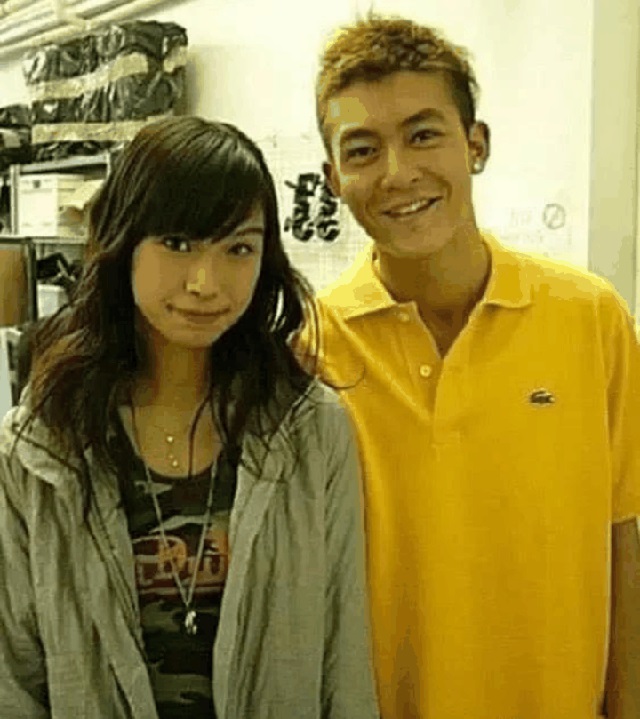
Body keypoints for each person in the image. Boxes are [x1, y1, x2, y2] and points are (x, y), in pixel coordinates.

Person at [301, 12, 640, 719]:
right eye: (362, 150)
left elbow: (623, 540)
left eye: (424, 134)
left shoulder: (591, 318)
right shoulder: (310, 350)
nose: (398, 173)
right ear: (333, 177)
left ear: (476, 144)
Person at [0, 116, 379, 719]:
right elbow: (13, 678)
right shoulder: (41, 447)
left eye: (238, 249)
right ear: (123, 243)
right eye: (177, 244)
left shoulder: (312, 431)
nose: (206, 283)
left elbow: (344, 663)